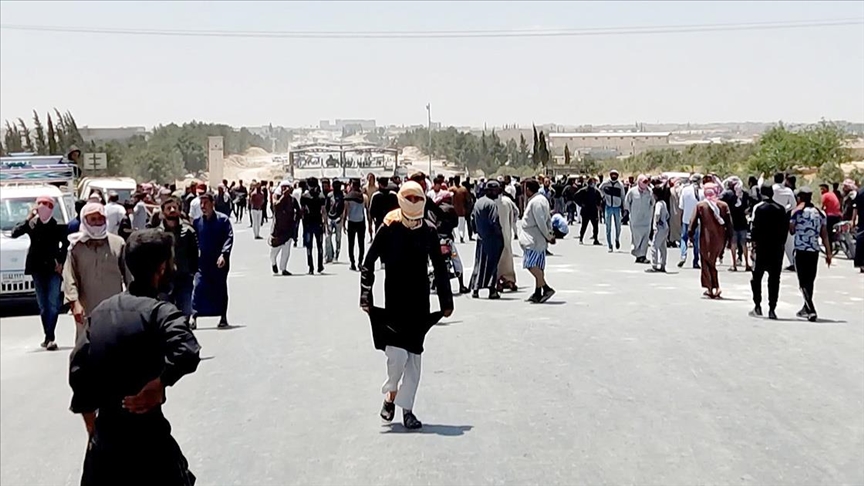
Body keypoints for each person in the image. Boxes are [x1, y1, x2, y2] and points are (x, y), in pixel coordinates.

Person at [69, 229, 201, 486]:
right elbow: (187, 350)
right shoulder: (161, 312)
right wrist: (160, 383)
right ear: (162, 268)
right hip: (150, 443)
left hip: (105, 445)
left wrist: (92, 429)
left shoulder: (99, 314)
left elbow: (78, 371)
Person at [360, 181, 454, 431]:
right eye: (409, 198)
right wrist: (365, 295)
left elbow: (440, 268)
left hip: (419, 302)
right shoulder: (389, 227)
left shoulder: (429, 231)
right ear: (401, 199)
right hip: (394, 301)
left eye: (418, 198)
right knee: (396, 358)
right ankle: (390, 394)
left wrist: (446, 301)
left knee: (414, 359)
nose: (414, 203)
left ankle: (407, 410)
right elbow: (368, 262)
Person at [63, 202, 128, 340]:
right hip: (86, 307)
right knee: (86, 347)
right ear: (84, 221)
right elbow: (70, 277)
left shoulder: (118, 243)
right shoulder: (76, 247)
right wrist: (74, 303)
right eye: (92, 219)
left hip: (115, 307)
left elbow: (129, 275)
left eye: (100, 219)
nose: (97, 223)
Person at [10, 196, 68, 350]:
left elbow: (66, 244)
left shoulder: (58, 225)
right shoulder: (32, 224)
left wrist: (61, 262)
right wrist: (28, 217)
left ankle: (51, 337)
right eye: (41, 204)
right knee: (43, 305)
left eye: (48, 204)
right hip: (36, 268)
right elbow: (15, 233)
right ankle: (47, 335)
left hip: (53, 268)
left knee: (53, 304)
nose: (44, 207)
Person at [192, 192, 234, 328]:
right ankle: (194, 316)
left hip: (219, 262)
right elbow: (195, 239)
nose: (203, 206)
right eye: (201, 203)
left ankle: (223, 316)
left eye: (206, 203)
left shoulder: (223, 220)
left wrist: (224, 254)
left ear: (212, 203)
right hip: (202, 262)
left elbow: (229, 237)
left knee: (220, 288)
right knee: (198, 287)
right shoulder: (197, 222)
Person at [789, 186, 831, 321]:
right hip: (814, 250)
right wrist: (829, 253)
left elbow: (792, 230)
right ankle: (805, 307)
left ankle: (811, 309)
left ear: (799, 198)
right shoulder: (819, 213)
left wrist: (793, 213)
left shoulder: (797, 213)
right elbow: (824, 235)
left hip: (801, 249)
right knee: (810, 281)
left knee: (802, 282)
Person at [749, 183, 788, 319]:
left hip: (761, 248)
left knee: (756, 278)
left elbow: (754, 228)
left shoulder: (758, 208)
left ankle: (757, 306)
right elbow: (785, 230)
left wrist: (753, 247)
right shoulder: (781, 209)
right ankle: (772, 309)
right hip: (776, 249)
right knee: (774, 280)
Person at [158, 197, 199, 327]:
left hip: (184, 279)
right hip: (163, 281)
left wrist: (192, 272)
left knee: (185, 313)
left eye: (174, 208)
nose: (172, 210)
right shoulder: (157, 234)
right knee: (164, 316)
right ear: (163, 211)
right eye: (168, 208)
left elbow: (195, 254)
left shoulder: (188, 231)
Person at [688, 183, 733, 299]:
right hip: (720, 239)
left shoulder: (701, 206)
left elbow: (692, 222)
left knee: (707, 263)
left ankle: (712, 288)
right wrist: (729, 239)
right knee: (713, 262)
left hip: (706, 239)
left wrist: (690, 235)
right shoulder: (723, 205)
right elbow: (729, 224)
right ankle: (714, 287)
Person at [519, 179, 556, 303]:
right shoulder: (539, 200)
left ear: (529, 189)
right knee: (539, 266)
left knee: (530, 264)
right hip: (535, 238)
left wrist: (548, 235)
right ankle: (537, 292)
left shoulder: (536, 202)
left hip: (534, 239)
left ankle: (546, 288)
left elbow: (541, 221)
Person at [469, 180, 504, 300]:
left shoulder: (478, 202)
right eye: (496, 190)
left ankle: (475, 289)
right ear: (490, 191)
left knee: (479, 263)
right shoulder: (492, 204)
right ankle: (492, 290)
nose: (497, 192)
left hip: (480, 238)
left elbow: (472, 219)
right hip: (491, 238)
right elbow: (494, 221)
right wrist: (500, 234)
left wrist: (477, 231)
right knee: (492, 264)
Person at [721, 176, 752, 272]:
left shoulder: (727, 194)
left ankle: (734, 265)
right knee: (744, 243)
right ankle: (747, 264)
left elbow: (720, 201)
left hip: (732, 222)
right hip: (742, 221)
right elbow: (750, 204)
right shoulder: (745, 194)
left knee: (733, 243)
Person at [270, 182, 300, 276]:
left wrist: (295, 223)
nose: (285, 189)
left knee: (286, 251)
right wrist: (284, 196)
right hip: (278, 229)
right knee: (274, 251)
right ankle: (273, 263)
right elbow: (276, 206)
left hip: (289, 229)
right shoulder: (276, 196)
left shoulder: (292, 199)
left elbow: (298, 212)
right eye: (283, 188)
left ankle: (283, 268)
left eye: (287, 188)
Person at [624, 174, 654, 264]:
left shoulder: (650, 192)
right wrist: (629, 213)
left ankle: (642, 256)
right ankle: (637, 254)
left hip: (646, 220)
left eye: (646, 182)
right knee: (637, 238)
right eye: (643, 182)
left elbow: (653, 203)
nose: (645, 184)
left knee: (645, 239)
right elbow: (627, 203)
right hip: (635, 220)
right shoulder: (632, 192)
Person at [300, 177, 327, 274]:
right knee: (319, 246)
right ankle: (320, 266)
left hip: (308, 224)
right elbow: (323, 211)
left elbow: (302, 211)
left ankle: (311, 267)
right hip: (318, 223)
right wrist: (325, 224)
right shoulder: (321, 196)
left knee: (309, 247)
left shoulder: (304, 196)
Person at [772, 173, 797, 270]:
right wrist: (785, 209)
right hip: (784, 218)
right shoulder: (788, 191)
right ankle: (792, 262)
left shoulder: (772, 189)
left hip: (772, 217)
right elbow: (793, 204)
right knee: (788, 242)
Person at [496, 187, 519, 292]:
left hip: (495, 235)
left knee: (496, 258)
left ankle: (497, 281)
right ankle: (509, 280)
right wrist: (512, 224)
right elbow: (516, 212)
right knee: (507, 256)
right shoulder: (507, 201)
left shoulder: (490, 201)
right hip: (506, 233)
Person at [678, 174, 703, 269]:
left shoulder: (685, 190)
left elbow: (681, 206)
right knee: (697, 241)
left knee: (684, 238)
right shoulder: (702, 192)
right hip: (698, 220)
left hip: (686, 218)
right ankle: (696, 261)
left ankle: (683, 255)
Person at [343, 179, 369, 271]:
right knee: (361, 244)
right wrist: (370, 223)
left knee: (351, 244)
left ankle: (352, 262)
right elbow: (367, 211)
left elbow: (345, 211)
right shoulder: (364, 197)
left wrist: (343, 223)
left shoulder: (348, 197)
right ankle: (360, 262)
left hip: (351, 222)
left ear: (352, 185)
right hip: (361, 222)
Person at [598, 169, 625, 252]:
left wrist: (623, 207)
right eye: (612, 174)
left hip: (617, 207)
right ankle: (610, 245)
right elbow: (599, 189)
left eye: (615, 175)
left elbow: (623, 196)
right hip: (608, 207)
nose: (613, 176)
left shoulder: (620, 185)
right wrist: (604, 196)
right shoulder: (606, 183)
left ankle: (617, 239)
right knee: (608, 227)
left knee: (618, 226)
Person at [646, 185, 670, 273]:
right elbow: (667, 215)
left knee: (654, 246)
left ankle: (654, 265)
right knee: (663, 247)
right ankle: (663, 264)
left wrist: (656, 222)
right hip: (665, 227)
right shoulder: (664, 203)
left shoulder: (658, 204)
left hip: (659, 227)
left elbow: (657, 214)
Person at [575, 177, 602, 245]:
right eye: (592, 182)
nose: (593, 184)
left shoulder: (596, 191)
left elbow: (600, 199)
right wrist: (581, 204)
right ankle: (581, 238)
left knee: (595, 226)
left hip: (594, 211)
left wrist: (599, 206)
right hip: (585, 211)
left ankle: (596, 239)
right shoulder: (583, 190)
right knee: (584, 226)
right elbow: (576, 197)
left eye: (594, 182)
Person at [325, 180, 345, 263]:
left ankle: (337, 255)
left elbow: (344, 208)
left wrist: (342, 218)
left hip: (338, 219)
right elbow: (326, 207)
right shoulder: (329, 195)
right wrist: (326, 219)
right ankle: (329, 255)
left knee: (338, 238)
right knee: (327, 238)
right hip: (330, 218)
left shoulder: (343, 196)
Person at [854, 182, 864, 273]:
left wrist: (853, 221)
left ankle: (861, 264)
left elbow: (855, 208)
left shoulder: (860, 191)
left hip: (862, 221)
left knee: (861, 241)